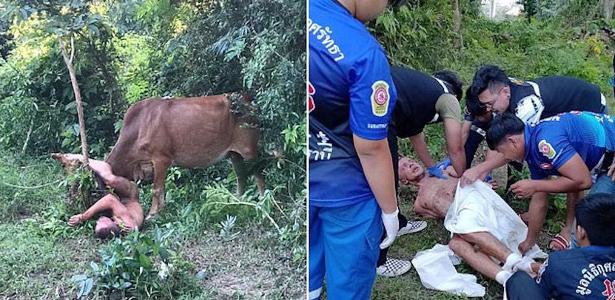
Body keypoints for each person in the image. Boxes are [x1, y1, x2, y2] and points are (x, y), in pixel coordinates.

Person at [308, 0, 403, 298]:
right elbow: (371, 146)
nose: (382, 11)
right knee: (347, 286)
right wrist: (391, 210)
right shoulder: (362, 52)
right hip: (347, 192)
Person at [461, 65, 609, 250]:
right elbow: (539, 191)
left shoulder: (529, 115)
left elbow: (580, 180)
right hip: (569, 127)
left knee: (581, 188)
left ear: (505, 92)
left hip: (590, 108)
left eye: (490, 104)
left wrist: (482, 169)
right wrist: (528, 243)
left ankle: (568, 230)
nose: (489, 110)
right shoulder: (528, 140)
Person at [377, 65, 467, 277]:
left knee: (386, 180)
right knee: (385, 183)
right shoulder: (448, 97)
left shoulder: (417, 92)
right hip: (379, 113)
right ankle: (379, 261)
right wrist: (465, 176)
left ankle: (398, 223)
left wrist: (431, 167)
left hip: (375, 102)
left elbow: (416, 135)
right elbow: (456, 146)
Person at [485, 112, 615, 255]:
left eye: (501, 152)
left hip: (610, 159)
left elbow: (583, 180)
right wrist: (529, 241)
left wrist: (535, 185)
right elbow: (540, 199)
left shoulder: (545, 141)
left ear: (512, 141)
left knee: (591, 220)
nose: (505, 157)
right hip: (603, 161)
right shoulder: (531, 146)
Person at [397, 157, 537, 286]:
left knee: (464, 228)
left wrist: (482, 184)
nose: (410, 164)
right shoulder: (419, 204)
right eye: (404, 167)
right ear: (403, 181)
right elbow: (443, 218)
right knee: (455, 243)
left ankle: (517, 262)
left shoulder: (444, 170)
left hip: (474, 202)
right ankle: (506, 278)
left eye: (410, 161)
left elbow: (467, 177)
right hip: (460, 216)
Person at [506, 193, 615, 300]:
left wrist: (544, 271)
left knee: (519, 281)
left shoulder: (560, 261)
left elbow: (543, 292)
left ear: (581, 232)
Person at [53, 153, 143, 238]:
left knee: (91, 190)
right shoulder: (128, 224)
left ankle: (73, 162)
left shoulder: (117, 224)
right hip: (129, 194)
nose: (99, 220)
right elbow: (109, 199)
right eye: (102, 221)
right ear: (111, 225)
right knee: (110, 180)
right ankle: (81, 158)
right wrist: (83, 217)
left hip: (118, 200)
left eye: (97, 222)